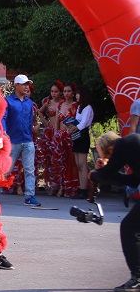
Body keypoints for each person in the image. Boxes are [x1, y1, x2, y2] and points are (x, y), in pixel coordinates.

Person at [90, 131, 140, 291]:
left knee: (129, 228)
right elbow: (133, 180)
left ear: (111, 149)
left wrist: (94, 174)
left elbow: (105, 175)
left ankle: (137, 277)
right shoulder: (132, 143)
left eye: (107, 156)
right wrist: (104, 172)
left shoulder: (122, 145)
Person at [3, 74, 41, 206]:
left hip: (27, 140)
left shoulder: (29, 103)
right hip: (13, 141)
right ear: (16, 85)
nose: (26, 87)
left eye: (27, 84)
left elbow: (32, 120)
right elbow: (3, 118)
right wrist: (4, 131)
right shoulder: (8, 101)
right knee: (6, 169)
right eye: (24, 84)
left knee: (30, 169)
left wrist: (35, 126)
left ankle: (29, 196)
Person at [51, 82, 80, 198]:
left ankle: (70, 187)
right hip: (60, 136)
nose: (66, 93)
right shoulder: (60, 105)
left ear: (73, 93)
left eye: (69, 91)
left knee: (70, 162)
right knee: (60, 162)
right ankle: (61, 186)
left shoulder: (76, 105)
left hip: (71, 137)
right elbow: (57, 122)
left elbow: (77, 123)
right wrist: (55, 135)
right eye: (65, 91)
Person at [36, 80, 63, 195]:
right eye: (52, 91)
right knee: (49, 158)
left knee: (59, 159)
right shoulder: (48, 102)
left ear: (60, 92)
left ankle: (60, 184)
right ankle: (50, 184)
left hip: (60, 132)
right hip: (50, 132)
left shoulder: (64, 102)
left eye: (56, 91)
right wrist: (45, 122)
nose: (53, 93)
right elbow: (39, 111)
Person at [68, 86, 94, 199]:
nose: (76, 96)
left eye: (78, 94)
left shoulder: (88, 108)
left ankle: (84, 189)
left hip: (83, 136)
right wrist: (71, 127)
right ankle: (81, 187)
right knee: (78, 164)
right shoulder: (79, 107)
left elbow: (83, 123)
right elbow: (77, 121)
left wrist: (75, 128)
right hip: (76, 135)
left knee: (82, 164)